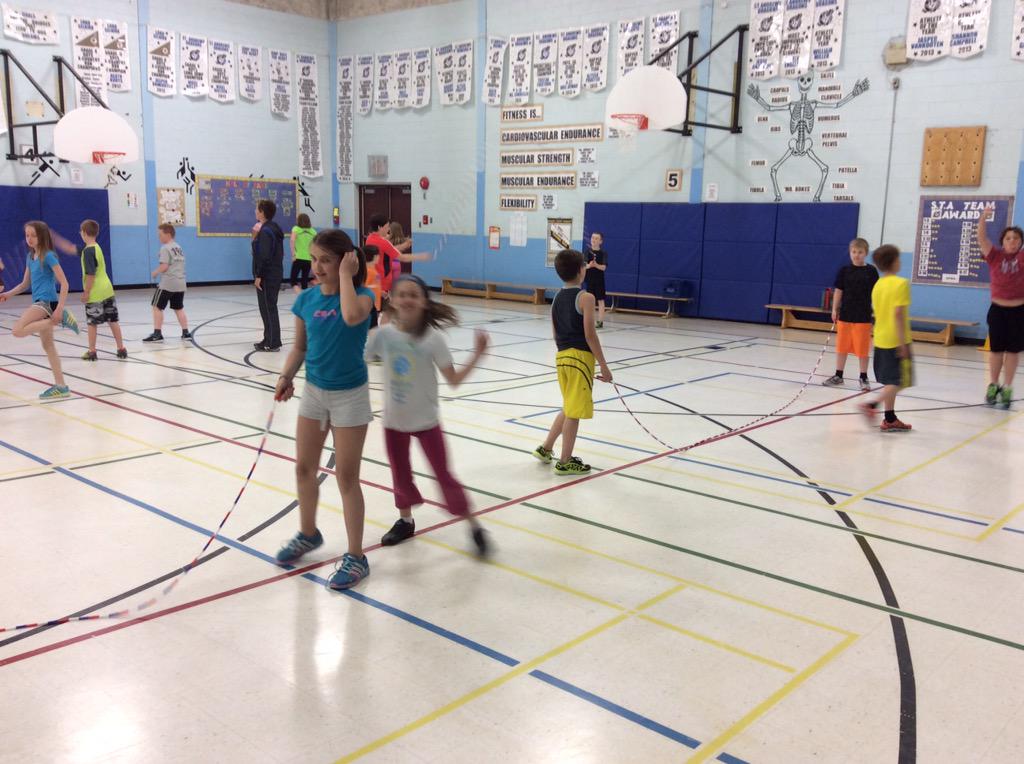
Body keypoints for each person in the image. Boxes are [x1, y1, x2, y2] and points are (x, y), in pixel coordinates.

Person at [273, 229, 376, 590]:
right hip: (315, 394)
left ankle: (356, 556)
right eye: (314, 259)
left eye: (325, 261)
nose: (316, 267)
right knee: (303, 467)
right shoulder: (305, 300)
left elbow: (350, 317)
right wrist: (286, 376)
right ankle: (308, 532)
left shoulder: (363, 296)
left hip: (350, 397)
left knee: (347, 477)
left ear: (346, 261)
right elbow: (300, 348)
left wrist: (347, 276)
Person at [366, 274, 490, 554]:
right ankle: (405, 521)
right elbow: (359, 362)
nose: (408, 299)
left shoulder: (433, 339)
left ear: (424, 302)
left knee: (444, 475)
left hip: (426, 421)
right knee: (400, 474)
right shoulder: (381, 336)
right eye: (402, 294)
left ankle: (473, 526)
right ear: (392, 300)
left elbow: (454, 380)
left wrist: (477, 354)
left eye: (414, 295)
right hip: (394, 422)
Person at [532, 249, 613, 474]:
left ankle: (546, 448)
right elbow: (590, 334)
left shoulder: (556, 296)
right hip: (580, 359)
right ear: (581, 270)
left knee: (569, 406)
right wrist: (604, 366)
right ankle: (566, 460)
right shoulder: (586, 297)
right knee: (574, 412)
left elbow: (554, 330)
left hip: (562, 356)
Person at [0, 221, 79, 398]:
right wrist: (8, 294)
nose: (29, 238)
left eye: (33, 235)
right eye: (27, 235)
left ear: (41, 236)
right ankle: (62, 386)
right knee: (48, 345)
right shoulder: (31, 257)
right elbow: (24, 284)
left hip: (46, 304)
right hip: (41, 303)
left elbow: (65, 284)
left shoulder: (49, 256)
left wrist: (59, 310)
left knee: (17, 330)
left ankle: (60, 318)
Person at [53, 221, 127, 361]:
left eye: (81, 231)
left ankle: (92, 352)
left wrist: (86, 292)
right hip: (107, 290)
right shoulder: (95, 247)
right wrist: (54, 238)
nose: (80, 233)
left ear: (84, 233)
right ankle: (121, 349)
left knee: (92, 323)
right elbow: (69, 248)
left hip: (95, 292)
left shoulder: (88, 252)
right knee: (113, 321)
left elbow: (91, 274)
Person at [859, 244, 913, 432]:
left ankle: (890, 419)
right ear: (894, 262)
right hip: (896, 340)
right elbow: (898, 314)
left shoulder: (878, 285)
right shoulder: (901, 284)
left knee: (891, 380)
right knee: (900, 381)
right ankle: (872, 404)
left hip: (880, 338)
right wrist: (901, 343)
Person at [976, 204, 1024, 408]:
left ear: (1021, 243)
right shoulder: (994, 255)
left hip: (1019, 311)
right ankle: (993, 385)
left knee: (1013, 352)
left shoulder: (1022, 258)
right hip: (998, 310)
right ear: (1002, 242)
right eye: (1008, 238)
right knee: (996, 351)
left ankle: (1007, 388)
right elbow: (981, 238)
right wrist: (983, 218)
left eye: (1016, 238)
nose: (1012, 241)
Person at [822, 237, 878, 392]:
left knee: (862, 348)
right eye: (854, 252)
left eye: (860, 252)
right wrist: (834, 309)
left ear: (865, 253)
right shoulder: (844, 271)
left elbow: (877, 293)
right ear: (850, 253)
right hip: (845, 314)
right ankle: (838, 375)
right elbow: (839, 290)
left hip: (863, 316)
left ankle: (863, 377)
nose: (856, 255)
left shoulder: (871, 271)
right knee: (842, 346)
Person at [365, 215, 430, 308]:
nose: (388, 230)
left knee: (374, 311)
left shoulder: (369, 238)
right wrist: (420, 256)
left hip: (373, 281)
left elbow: (387, 249)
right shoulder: (384, 242)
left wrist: (404, 244)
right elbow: (402, 257)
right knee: (383, 313)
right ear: (379, 227)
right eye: (387, 227)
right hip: (383, 283)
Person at [143, 224, 191, 342]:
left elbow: (164, 266)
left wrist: (155, 272)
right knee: (178, 308)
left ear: (168, 234)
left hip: (168, 283)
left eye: (160, 235)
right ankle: (186, 333)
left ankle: (157, 333)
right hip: (180, 282)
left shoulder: (165, 248)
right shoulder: (178, 247)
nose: (159, 237)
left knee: (156, 307)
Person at [252, 199, 285, 351]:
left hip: (268, 275)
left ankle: (273, 342)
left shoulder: (266, 231)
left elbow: (264, 256)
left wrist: (259, 275)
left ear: (263, 212)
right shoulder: (272, 228)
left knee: (268, 307)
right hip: (275, 272)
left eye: (257, 209)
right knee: (267, 308)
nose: (255, 212)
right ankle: (268, 338)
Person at [584, 231, 608, 328]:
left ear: (601, 241)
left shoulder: (603, 253)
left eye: (596, 238)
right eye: (593, 238)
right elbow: (584, 265)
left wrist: (596, 265)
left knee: (600, 300)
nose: (594, 240)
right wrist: (589, 265)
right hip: (589, 280)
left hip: (599, 280)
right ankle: (589, 321)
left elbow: (604, 267)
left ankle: (600, 321)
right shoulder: (587, 252)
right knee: (590, 301)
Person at [290, 213, 316, 292]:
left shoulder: (296, 229)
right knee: (304, 280)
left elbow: (292, 240)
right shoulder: (313, 231)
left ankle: (300, 294)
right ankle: (304, 295)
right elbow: (316, 244)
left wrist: (293, 254)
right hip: (309, 258)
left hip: (298, 257)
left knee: (293, 280)